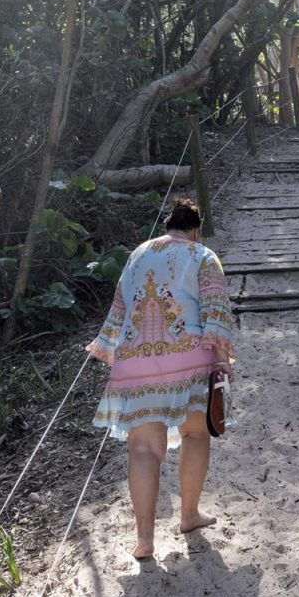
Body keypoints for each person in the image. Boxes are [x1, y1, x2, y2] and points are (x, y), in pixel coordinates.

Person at [86, 198, 235, 559]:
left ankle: (145, 540)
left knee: (142, 449)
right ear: (195, 229)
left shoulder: (137, 254)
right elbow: (215, 311)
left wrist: (111, 353)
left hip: (136, 361)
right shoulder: (202, 255)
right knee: (196, 433)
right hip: (189, 360)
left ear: (168, 226)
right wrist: (222, 359)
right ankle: (188, 515)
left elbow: (119, 309)